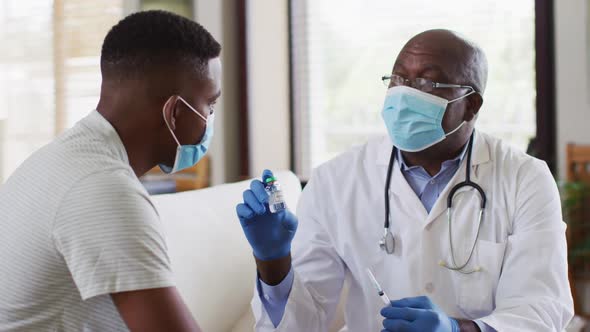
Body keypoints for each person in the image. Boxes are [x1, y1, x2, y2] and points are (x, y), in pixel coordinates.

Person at [236, 29, 573, 331]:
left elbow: (541, 310)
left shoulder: (525, 178)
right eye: (397, 80)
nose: (403, 95)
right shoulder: (335, 181)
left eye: (427, 82)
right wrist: (273, 260)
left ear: (470, 106)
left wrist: (458, 331)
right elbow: (302, 324)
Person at [0, 10, 221, 331]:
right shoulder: (104, 189)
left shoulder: (57, 158)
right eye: (210, 105)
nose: (210, 118)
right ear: (174, 113)